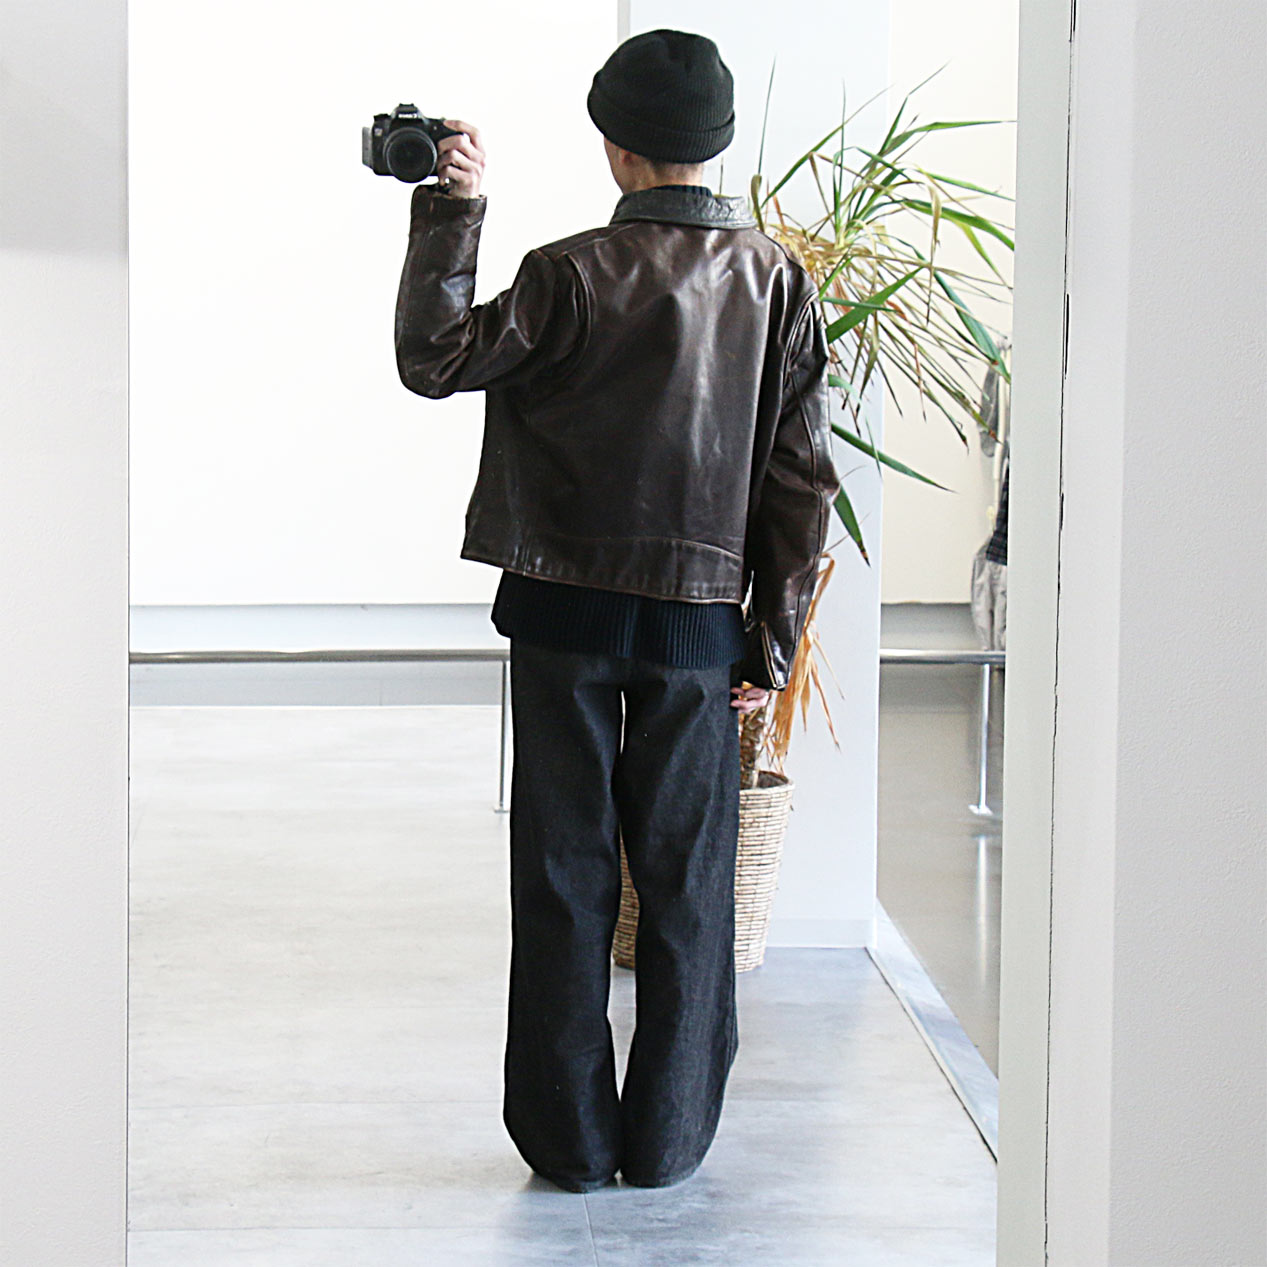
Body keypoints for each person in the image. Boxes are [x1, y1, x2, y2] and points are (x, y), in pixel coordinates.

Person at [393, 28, 839, 1192]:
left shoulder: (567, 273)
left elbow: (434, 358)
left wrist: (454, 210)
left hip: (561, 619)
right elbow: (802, 480)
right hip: (699, 633)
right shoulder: (776, 280)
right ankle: (669, 1140)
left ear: (614, 147)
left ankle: (569, 1141)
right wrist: (771, 642)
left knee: (563, 874)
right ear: (715, 145)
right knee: (688, 884)